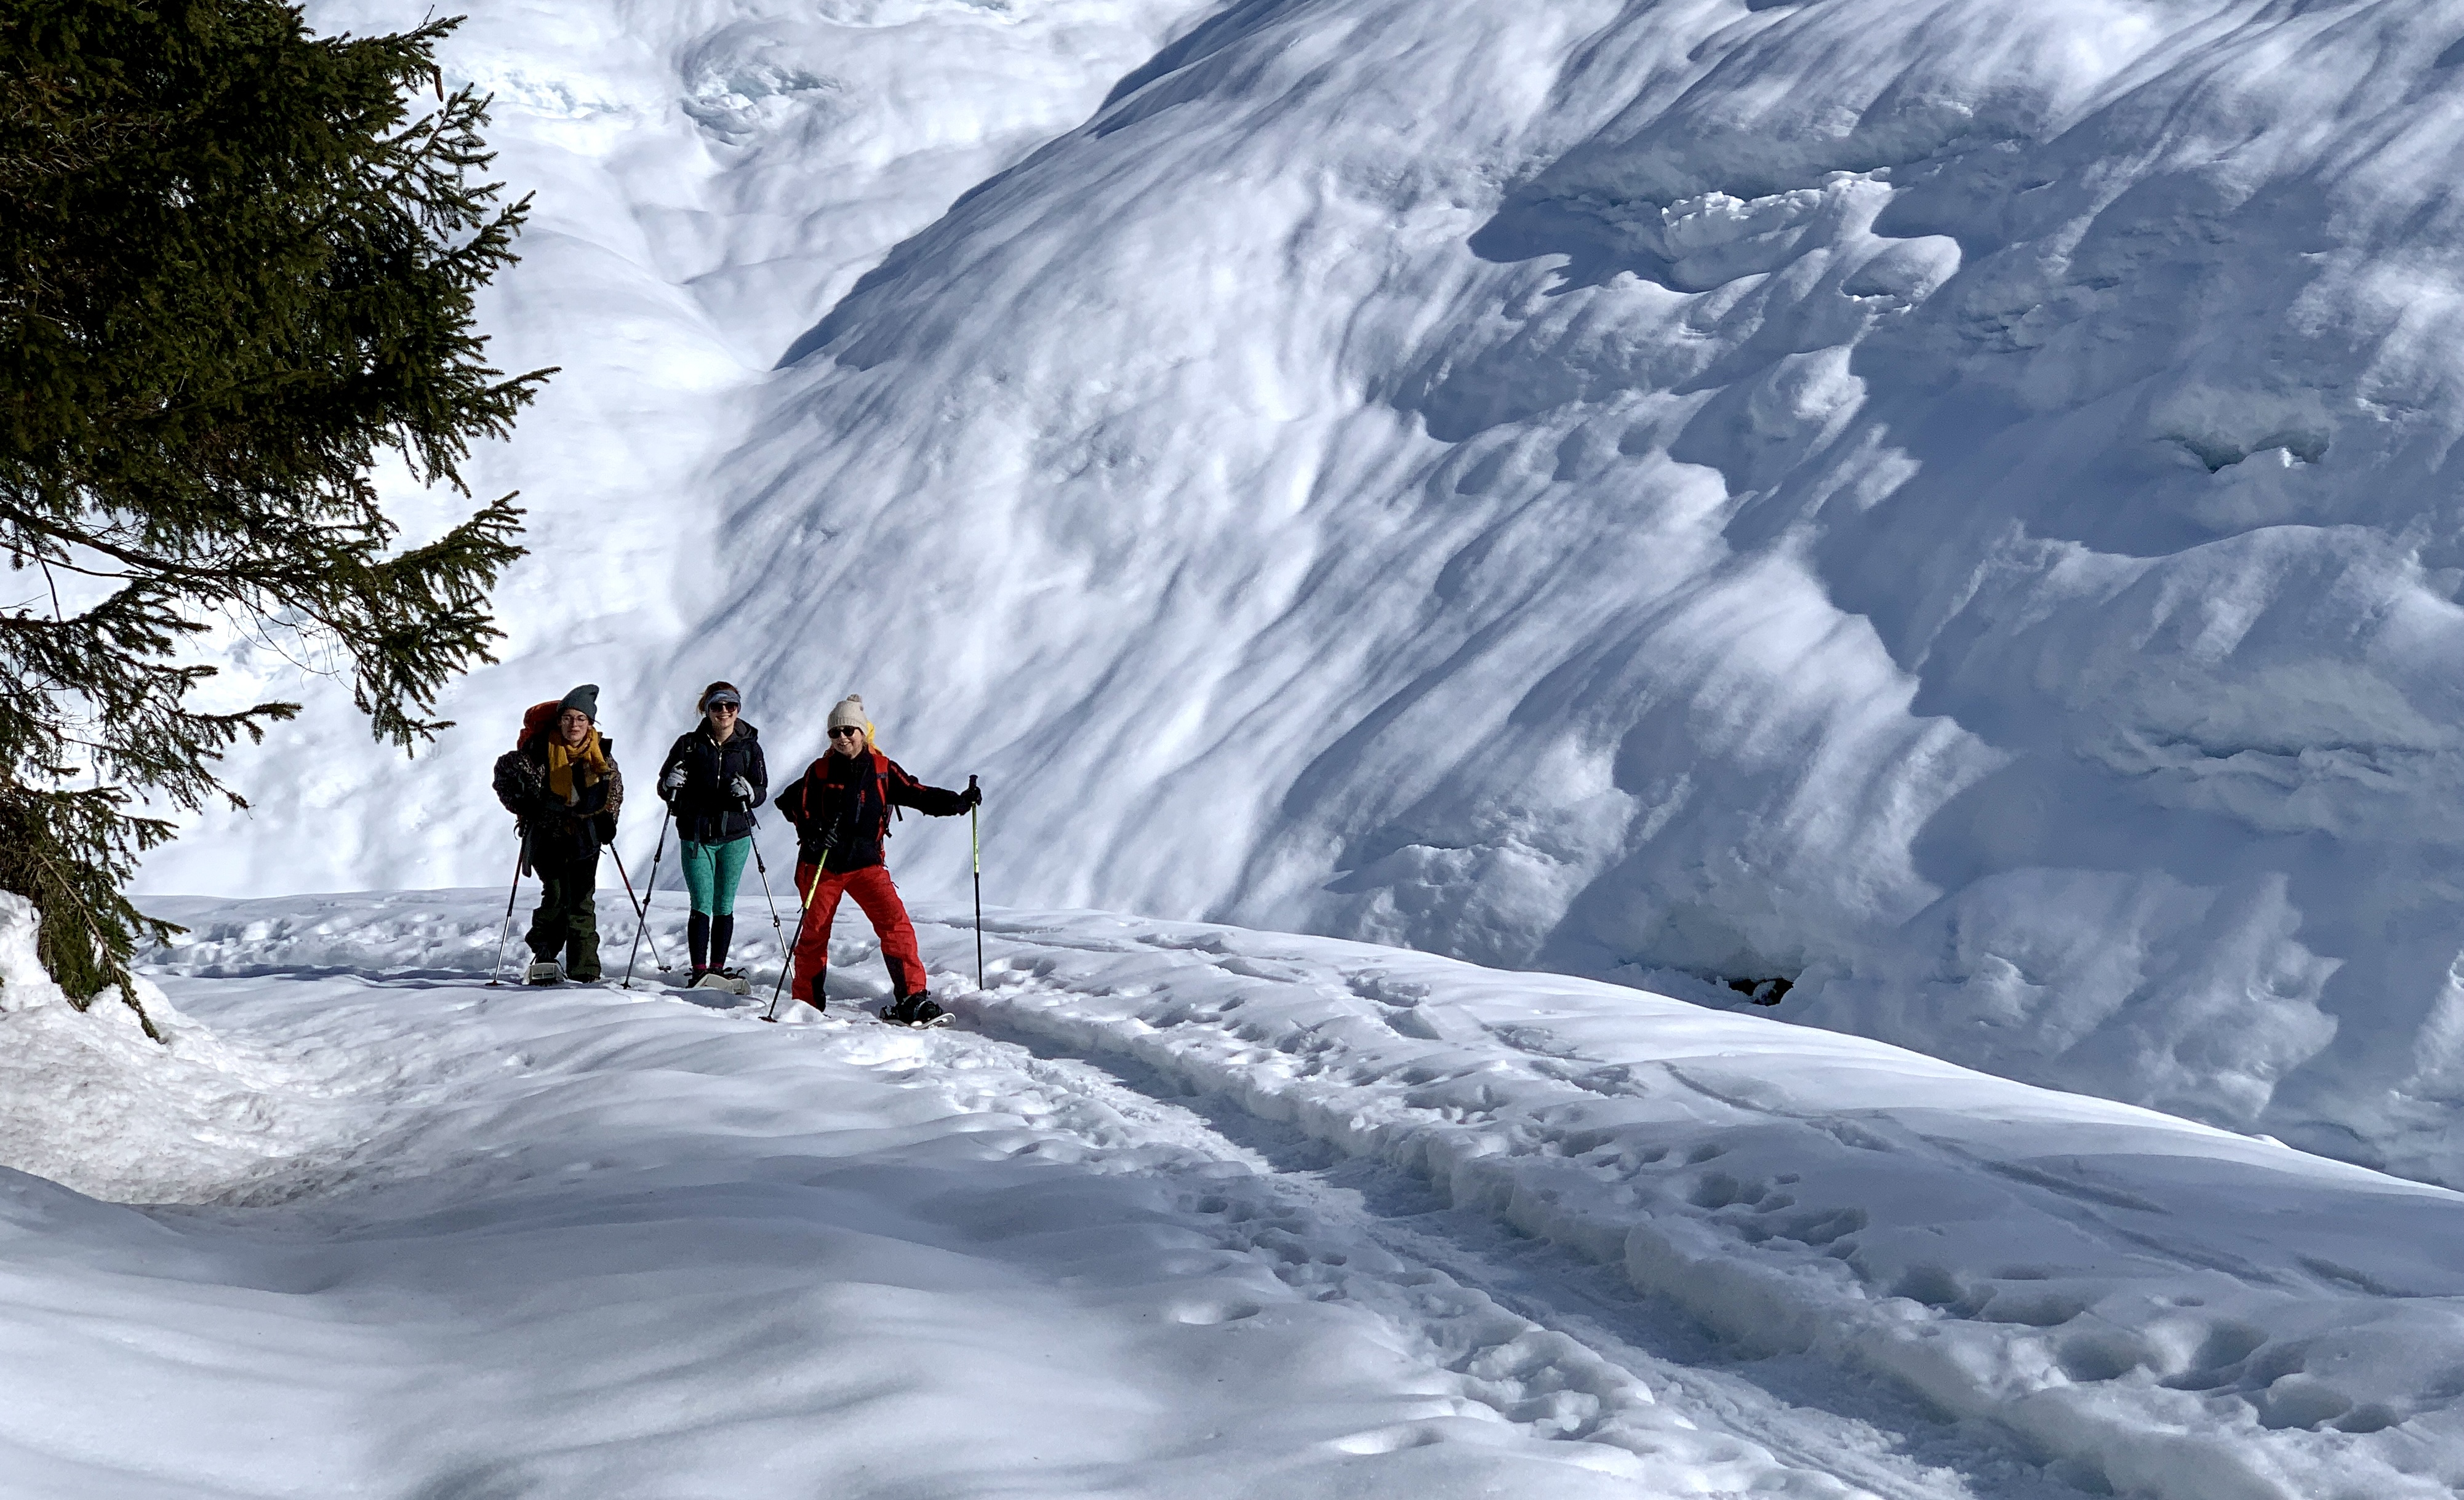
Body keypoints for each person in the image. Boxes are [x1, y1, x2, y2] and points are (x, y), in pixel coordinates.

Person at [775, 694, 978, 1023]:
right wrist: (814, 832)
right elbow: (797, 807)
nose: (842, 738)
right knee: (815, 934)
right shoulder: (819, 770)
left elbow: (917, 793)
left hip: (867, 864)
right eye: (835, 732)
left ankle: (912, 998)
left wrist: (959, 802)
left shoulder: (882, 769)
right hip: (821, 865)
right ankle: (806, 1005)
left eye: (848, 731)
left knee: (895, 925)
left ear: (862, 732)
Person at [490, 684, 624, 983]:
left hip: (586, 838)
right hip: (547, 836)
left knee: (581, 901)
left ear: (591, 723)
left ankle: (584, 969)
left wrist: (608, 818)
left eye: (580, 719)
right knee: (556, 897)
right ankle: (545, 956)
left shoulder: (600, 755)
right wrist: (521, 805)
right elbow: (504, 774)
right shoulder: (538, 750)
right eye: (567, 718)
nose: (573, 725)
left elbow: (613, 789)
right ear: (559, 721)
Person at [654, 682, 769, 985]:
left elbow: (762, 789)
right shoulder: (688, 744)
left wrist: (751, 793)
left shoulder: (749, 747)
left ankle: (714, 969)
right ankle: (701, 969)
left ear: (738, 709)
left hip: (735, 835)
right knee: (702, 901)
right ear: (707, 709)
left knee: (724, 902)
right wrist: (669, 785)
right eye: (717, 706)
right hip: (696, 834)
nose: (724, 712)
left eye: (730, 706)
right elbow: (664, 786)